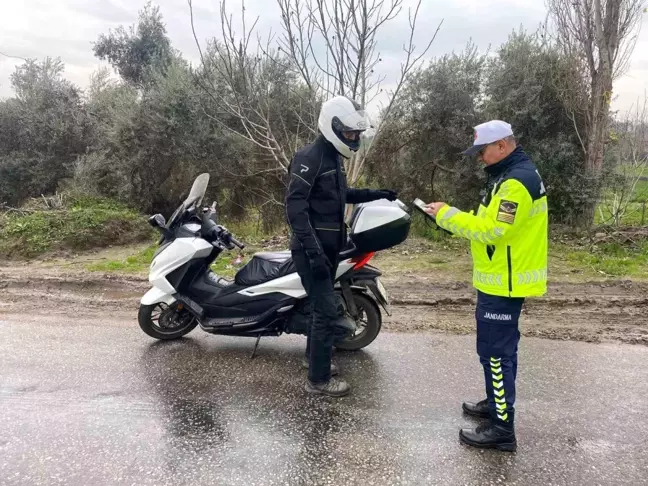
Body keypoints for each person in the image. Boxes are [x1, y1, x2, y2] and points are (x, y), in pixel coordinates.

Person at [424, 120, 548, 452]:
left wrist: (448, 215)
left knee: (495, 355)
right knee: (498, 353)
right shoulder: (507, 178)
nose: (481, 158)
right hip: (499, 278)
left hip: (504, 283)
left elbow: (495, 231)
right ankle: (497, 404)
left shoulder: (517, 184)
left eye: (483, 151)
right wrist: (448, 220)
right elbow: (484, 223)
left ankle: (502, 429)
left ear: (502, 146)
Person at [285, 96, 398, 398]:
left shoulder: (333, 157)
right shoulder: (309, 157)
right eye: (349, 134)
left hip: (329, 248)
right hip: (313, 251)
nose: (353, 139)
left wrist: (377, 194)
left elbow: (340, 194)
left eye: (356, 134)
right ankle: (318, 380)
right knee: (325, 311)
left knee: (320, 307)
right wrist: (313, 252)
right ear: (331, 126)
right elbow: (295, 207)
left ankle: (314, 358)